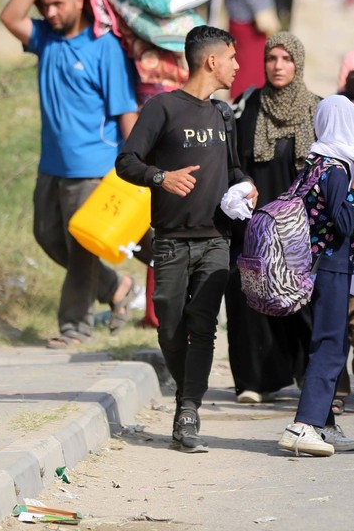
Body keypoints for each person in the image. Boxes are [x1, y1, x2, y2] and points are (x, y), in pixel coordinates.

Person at [116, 26, 256, 453]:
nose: (237, 64)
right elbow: (126, 162)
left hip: (216, 240)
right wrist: (161, 177)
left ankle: (188, 408)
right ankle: (185, 393)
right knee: (170, 325)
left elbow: (234, 169)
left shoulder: (224, 115)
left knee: (204, 327)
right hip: (171, 241)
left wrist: (246, 183)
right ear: (211, 61)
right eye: (232, 57)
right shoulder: (162, 108)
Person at [0, 0, 140, 348]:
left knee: (81, 249)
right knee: (46, 235)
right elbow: (9, 16)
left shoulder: (103, 46)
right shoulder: (46, 39)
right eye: (45, 6)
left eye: (58, 3)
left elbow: (125, 109)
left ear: (80, 2)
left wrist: (134, 165)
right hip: (52, 163)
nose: (50, 11)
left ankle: (75, 327)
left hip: (93, 165)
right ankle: (117, 285)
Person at [277, 96, 354, 457]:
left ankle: (324, 423)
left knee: (330, 343)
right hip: (329, 267)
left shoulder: (314, 162)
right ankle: (303, 425)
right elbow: (346, 223)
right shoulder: (335, 169)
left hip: (313, 266)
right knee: (330, 347)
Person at [226, 33, 321, 405]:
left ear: (298, 63)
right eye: (272, 58)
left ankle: (307, 374)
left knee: (301, 301)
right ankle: (254, 379)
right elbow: (233, 162)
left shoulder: (317, 108)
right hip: (254, 225)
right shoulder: (248, 107)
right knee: (249, 298)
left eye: (286, 58)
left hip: (300, 226)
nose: (278, 66)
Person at [225, 0, 279, 98]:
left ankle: (236, 92)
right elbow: (263, 7)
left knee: (237, 61)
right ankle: (255, 91)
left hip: (235, 27)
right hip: (252, 30)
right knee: (255, 62)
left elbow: (226, 5)